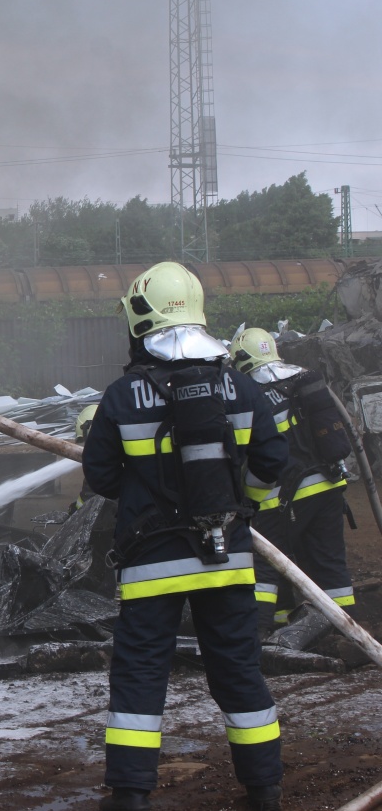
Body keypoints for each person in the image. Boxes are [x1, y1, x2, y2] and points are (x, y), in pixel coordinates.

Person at [82, 262, 289, 811]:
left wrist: (142, 483)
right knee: (239, 671)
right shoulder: (239, 386)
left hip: (150, 565)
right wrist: (243, 508)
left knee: (141, 676)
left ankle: (129, 795)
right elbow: (272, 461)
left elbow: (100, 477)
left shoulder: (123, 397)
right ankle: (264, 788)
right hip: (227, 558)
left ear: (140, 321)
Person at [229, 327, 355, 635]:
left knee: (266, 566)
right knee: (328, 562)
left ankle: (259, 635)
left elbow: (245, 453)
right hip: (328, 488)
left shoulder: (250, 396)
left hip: (279, 498)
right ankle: (343, 634)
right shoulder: (302, 379)